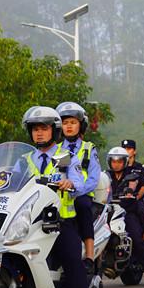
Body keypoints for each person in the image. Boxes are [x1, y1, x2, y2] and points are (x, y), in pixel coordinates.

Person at [22, 107, 103, 288]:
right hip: (29, 219)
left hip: (58, 221)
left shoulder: (64, 157)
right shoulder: (26, 158)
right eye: (34, 129)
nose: (38, 133)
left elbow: (77, 178)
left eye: (43, 128)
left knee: (71, 258)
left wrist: (71, 183)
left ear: (54, 131)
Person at [56, 102, 101, 274]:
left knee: (82, 206)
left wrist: (76, 191)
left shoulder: (89, 149)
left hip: (82, 194)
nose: (68, 126)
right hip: (60, 194)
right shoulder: (58, 149)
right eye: (65, 123)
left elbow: (93, 178)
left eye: (73, 122)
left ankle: (89, 256)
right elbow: (57, 174)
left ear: (80, 125)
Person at [106, 146, 144, 288]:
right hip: (109, 210)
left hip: (127, 210)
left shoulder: (132, 173)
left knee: (136, 240)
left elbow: (137, 184)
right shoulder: (106, 175)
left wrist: (131, 192)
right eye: (113, 161)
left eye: (119, 161)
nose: (116, 164)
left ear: (125, 161)